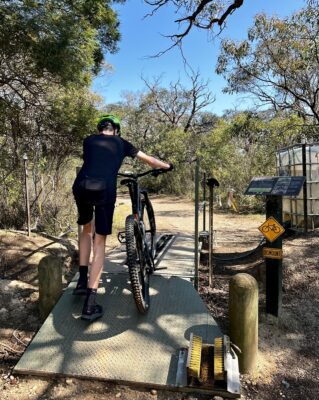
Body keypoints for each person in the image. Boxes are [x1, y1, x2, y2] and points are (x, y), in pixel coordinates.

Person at [72, 114, 172, 321]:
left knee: (86, 229)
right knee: (99, 241)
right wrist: (167, 166)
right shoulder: (122, 143)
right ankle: (89, 306)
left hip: (81, 186)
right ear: (116, 130)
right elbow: (151, 161)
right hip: (103, 190)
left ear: (100, 128)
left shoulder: (88, 140)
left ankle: (82, 282)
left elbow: (96, 161)